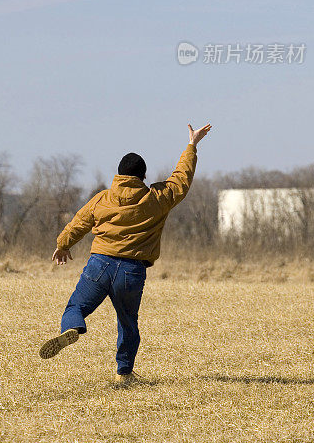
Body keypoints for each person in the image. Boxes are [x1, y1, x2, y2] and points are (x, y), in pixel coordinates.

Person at [39, 122, 212, 385]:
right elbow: (181, 179)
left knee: (76, 307)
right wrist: (192, 145)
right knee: (128, 322)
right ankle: (124, 373)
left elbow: (79, 222)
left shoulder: (103, 198)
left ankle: (71, 328)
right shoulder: (156, 198)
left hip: (100, 265)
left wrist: (63, 244)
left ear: (118, 175)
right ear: (143, 177)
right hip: (132, 271)